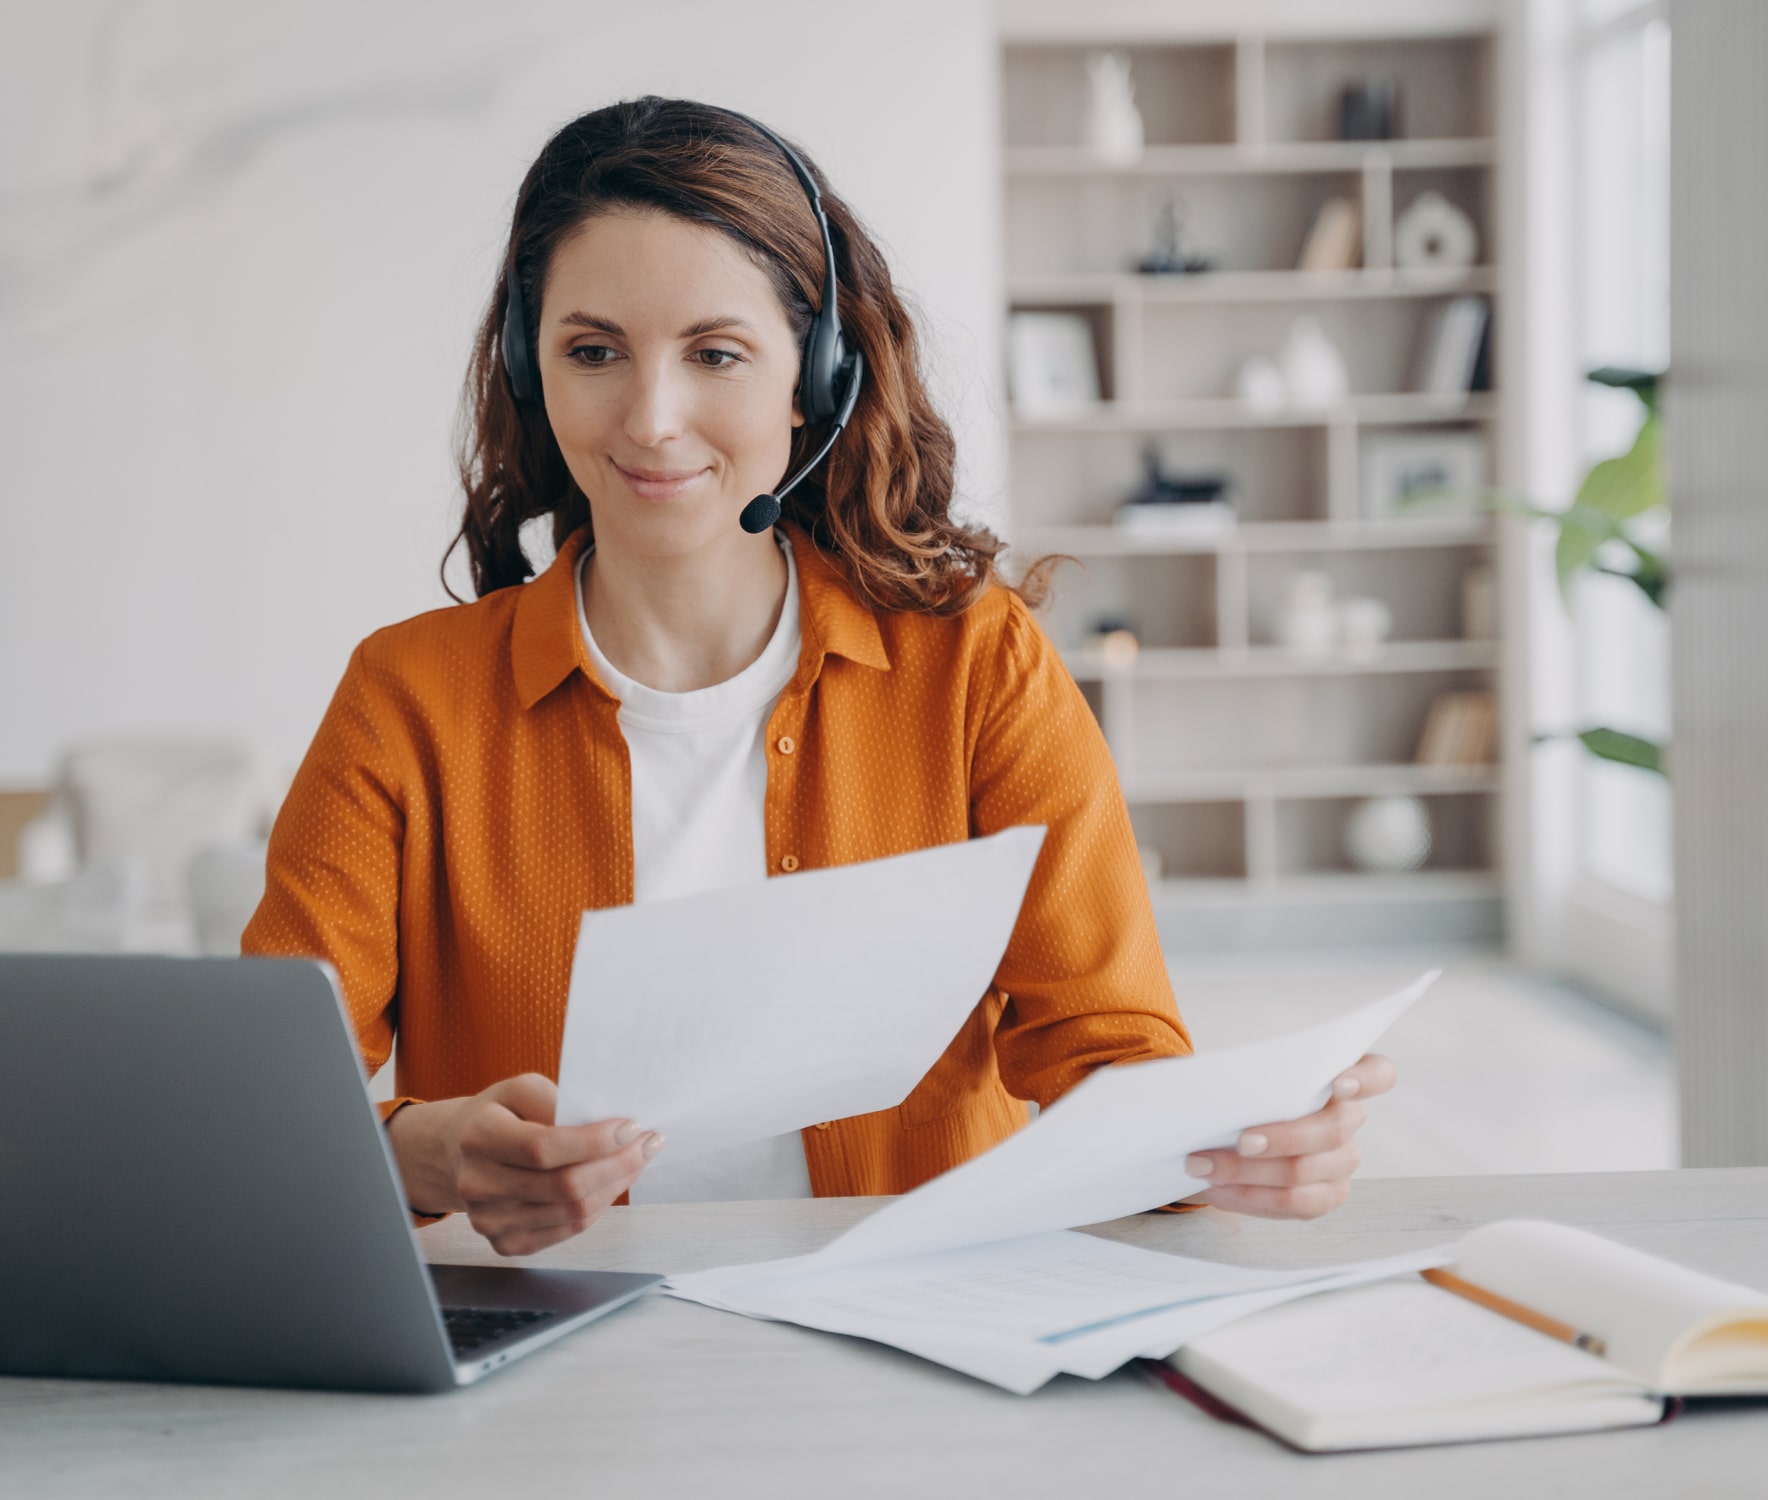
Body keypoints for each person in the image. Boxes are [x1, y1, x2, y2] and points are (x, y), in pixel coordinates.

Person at [243, 98, 1394, 1258]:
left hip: (915, 1338)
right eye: (594, 351)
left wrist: (1230, 1147)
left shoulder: (973, 665)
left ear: (818, 377)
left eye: (716, 354)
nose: (651, 418)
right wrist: (417, 1153)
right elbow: (262, 1109)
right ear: (530, 370)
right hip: (558, 1358)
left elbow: (1112, 1057)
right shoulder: (407, 699)